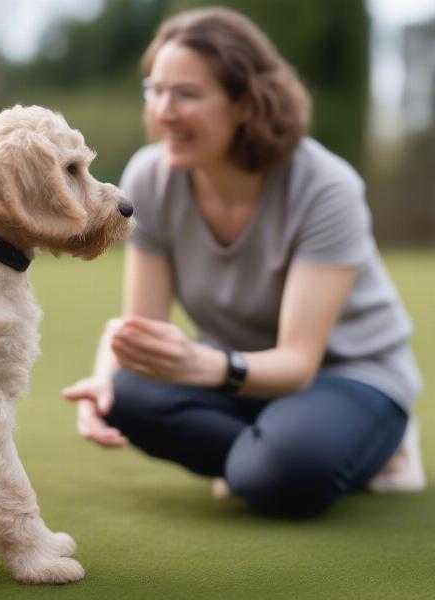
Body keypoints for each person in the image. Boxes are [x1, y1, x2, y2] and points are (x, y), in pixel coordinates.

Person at [63, 7, 425, 518]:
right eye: (155, 90)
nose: (163, 110)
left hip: (348, 375)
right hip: (236, 377)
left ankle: (375, 442)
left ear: (246, 104)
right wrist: (107, 378)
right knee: (126, 398)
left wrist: (201, 364)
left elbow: (299, 364)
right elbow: (141, 330)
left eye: (185, 94)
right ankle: (274, 450)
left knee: (280, 478)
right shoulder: (149, 178)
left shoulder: (326, 187)